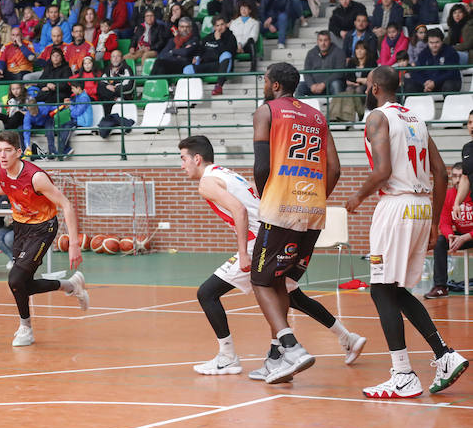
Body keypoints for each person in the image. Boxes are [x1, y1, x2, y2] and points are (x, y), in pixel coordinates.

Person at [179, 135, 365, 375]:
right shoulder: (226, 173)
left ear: (197, 158)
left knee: (207, 293)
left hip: (261, 242)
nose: (181, 165)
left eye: (183, 159)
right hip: (278, 235)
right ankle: (346, 338)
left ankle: (228, 357)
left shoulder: (207, 182)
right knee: (291, 295)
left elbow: (240, 211)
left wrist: (243, 254)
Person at [346, 65, 468, 397]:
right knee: (395, 289)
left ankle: (402, 374)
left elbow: (383, 170)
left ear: (373, 89)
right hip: (421, 205)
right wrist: (433, 224)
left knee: (381, 289)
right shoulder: (416, 118)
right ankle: (444, 355)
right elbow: (441, 173)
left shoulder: (377, 118)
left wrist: (357, 195)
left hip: (396, 206)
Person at [250, 62, 341, 384]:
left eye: (264, 80)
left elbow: (261, 167)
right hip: (313, 210)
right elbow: (336, 169)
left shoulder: (267, 111)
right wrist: (315, 196)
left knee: (260, 280)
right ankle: (276, 359)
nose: (263, 85)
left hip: (281, 207)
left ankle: (291, 346)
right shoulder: (317, 116)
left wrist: (266, 197)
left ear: (274, 85)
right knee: (280, 281)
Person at [0, 131, 89, 346]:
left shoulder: (35, 177)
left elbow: (66, 205)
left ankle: (25, 328)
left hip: (43, 228)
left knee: (15, 280)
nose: (2, 155)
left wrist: (73, 244)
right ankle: (71, 285)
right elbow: (6, 187)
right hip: (21, 226)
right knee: (23, 284)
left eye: (8, 151)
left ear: (19, 152)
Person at [426, 162, 473, 298]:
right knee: (441, 241)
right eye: (454, 176)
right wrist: (450, 235)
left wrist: (467, 236)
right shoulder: (448, 196)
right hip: (460, 237)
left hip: (471, 235)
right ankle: (440, 287)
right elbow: (444, 222)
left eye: (460, 176)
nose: (457, 180)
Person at [404, 29, 463, 93]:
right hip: (428, 84)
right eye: (431, 43)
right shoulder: (423, 53)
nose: (434, 45)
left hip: (446, 83)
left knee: (449, 85)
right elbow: (416, 72)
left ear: (442, 41)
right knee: (410, 85)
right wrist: (424, 82)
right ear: (427, 42)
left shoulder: (451, 52)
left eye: (437, 42)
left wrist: (435, 82)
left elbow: (452, 73)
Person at [296, 31, 347, 97]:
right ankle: (298, 107)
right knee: (299, 86)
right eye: (320, 40)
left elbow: (339, 73)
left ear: (330, 41)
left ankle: (336, 107)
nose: (323, 43)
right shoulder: (311, 53)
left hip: (330, 84)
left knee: (336, 84)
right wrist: (311, 85)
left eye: (325, 40)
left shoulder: (339, 52)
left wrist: (324, 84)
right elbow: (307, 72)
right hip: (314, 86)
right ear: (317, 41)